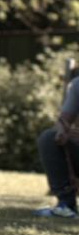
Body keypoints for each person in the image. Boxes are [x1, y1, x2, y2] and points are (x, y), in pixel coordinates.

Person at [34, 72, 79, 218]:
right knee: (48, 138)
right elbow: (63, 121)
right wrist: (61, 131)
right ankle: (66, 204)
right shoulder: (77, 85)